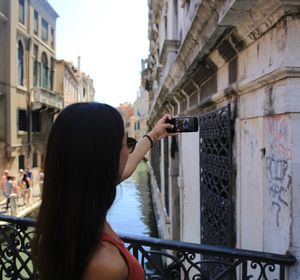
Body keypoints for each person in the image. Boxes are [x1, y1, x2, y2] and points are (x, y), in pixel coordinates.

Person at [32, 102, 175, 280]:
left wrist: (153, 135)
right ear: (106, 158)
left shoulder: (64, 218)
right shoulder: (105, 265)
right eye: (125, 143)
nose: (128, 151)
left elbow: (127, 166)